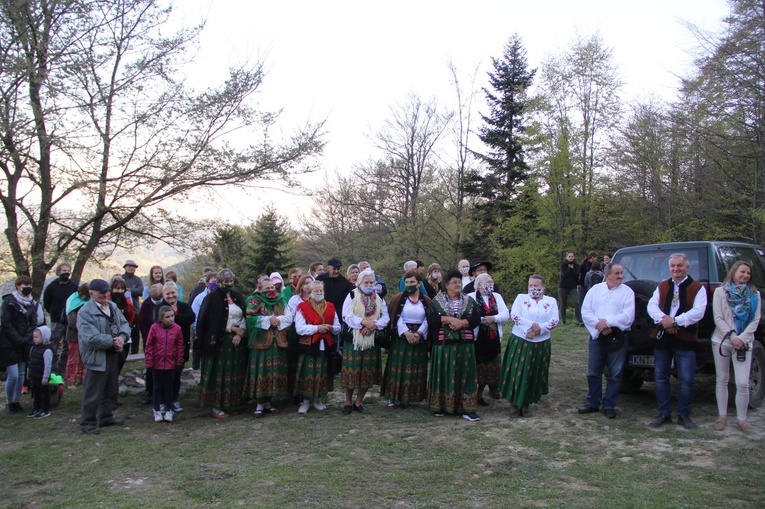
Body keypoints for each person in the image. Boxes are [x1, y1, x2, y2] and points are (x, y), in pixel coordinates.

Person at [647, 253, 707, 430]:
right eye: (672, 266)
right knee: (660, 377)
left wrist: (675, 321)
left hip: (686, 338)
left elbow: (698, 312)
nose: (676, 269)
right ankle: (664, 413)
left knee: (687, 379)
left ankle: (684, 415)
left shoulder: (697, 288)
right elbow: (652, 305)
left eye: (679, 266)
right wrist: (664, 320)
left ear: (687, 267)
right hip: (662, 337)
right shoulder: (662, 286)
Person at [577, 263, 634, 419]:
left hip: (618, 336)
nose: (621, 276)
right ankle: (593, 402)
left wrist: (607, 323)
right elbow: (586, 311)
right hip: (597, 335)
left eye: (622, 273)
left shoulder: (627, 292)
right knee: (594, 371)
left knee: (615, 373)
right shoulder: (595, 290)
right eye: (617, 273)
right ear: (607, 275)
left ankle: (609, 405)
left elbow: (628, 316)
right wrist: (600, 326)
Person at [426, 269, 482, 421]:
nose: (458, 285)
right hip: (444, 345)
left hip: (465, 344)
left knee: (466, 374)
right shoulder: (437, 301)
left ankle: (467, 408)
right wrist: (450, 320)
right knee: (444, 374)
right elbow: (431, 320)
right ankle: (441, 406)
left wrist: (462, 323)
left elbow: (477, 319)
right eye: (454, 282)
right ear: (446, 285)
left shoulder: (468, 300)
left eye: (459, 282)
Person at [711, 261, 761, 434]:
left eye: (748, 273)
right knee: (722, 379)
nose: (746, 275)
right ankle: (722, 416)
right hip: (722, 340)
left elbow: (756, 319)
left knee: (742, 382)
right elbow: (718, 317)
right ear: (734, 272)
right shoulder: (720, 292)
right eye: (742, 272)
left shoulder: (754, 294)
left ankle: (742, 420)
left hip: (744, 342)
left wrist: (742, 338)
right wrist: (732, 336)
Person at [500, 275, 559, 417]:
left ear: (543, 287)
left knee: (534, 371)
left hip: (541, 342)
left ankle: (526, 402)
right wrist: (530, 326)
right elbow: (515, 315)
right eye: (530, 285)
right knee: (517, 371)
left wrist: (538, 330)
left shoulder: (551, 301)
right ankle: (514, 403)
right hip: (521, 339)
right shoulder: (521, 298)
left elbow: (554, 320)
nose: (533, 288)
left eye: (536, 285)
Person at [78, 278, 131, 434]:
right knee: (93, 392)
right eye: (101, 292)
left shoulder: (113, 307)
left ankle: (106, 417)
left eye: (106, 291)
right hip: (97, 356)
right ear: (91, 293)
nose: (105, 295)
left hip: (113, 354)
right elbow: (90, 337)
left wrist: (122, 338)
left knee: (111, 389)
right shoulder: (85, 312)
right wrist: (113, 342)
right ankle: (87, 423)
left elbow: (125, 324)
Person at [196, 268, 247, 419]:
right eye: (226, 282)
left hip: (236, 342)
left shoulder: (237, 296)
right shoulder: (211, 298)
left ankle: (230, 404)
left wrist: (241, 332)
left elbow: (244, 313)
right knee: (220, 373)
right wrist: (232, 329)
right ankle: (217, 406)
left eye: (231, 281)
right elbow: (211, 320)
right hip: (218, 342)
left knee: (233, 373)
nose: (229, 284)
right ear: (218, 283)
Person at [340, 269, 390, 414]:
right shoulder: (352, 295)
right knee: (352, 371)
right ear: (359, 282)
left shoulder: (379, 298)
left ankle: (358, 401)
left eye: (371, 282)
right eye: (366, 282)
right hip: (354, 339)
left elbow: (385, 317)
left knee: (367, 372)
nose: (369, 285)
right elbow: (346, 316)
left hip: (371, 338)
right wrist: (363, 323)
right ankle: (348, 402)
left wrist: (374, 325)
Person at [244, 277, 293, 417]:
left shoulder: (281, 299)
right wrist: (267, 320)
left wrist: (277, 320)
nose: (271, 290)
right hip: (260, 342)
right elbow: (249, 317)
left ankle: (269, 403)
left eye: (272, 287)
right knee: (261, 372)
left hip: (277, 342)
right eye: (267, 288)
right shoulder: (254, 300)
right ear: (260, 290)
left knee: (273, 372)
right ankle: (259, 404)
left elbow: (289, 316)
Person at [381, 270, 430, 408]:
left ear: (419, 283)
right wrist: (406, 333)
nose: (409, 285)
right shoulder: (398, 298)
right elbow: (395, 317)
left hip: (419, 338)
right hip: (401, 338)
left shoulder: (426, 300)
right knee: (398, 367)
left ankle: (411, 397)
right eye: (407, 282)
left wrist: (419, 333)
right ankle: (393, 397)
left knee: (415, 367)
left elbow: (428, 319)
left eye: (412, 282)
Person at [294, 281, 341, 414]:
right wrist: (317, 328)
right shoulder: (302, 307)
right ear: (310, 292)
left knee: (322, 373)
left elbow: (337, 327)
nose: (319, 293)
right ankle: (305, 401)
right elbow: (300, 328)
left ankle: (318, 399)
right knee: (307, 373)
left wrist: (331, 328)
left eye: (321, 291)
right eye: (316, 291)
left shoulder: (330, 306)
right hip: (309, 346)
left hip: (325, 345)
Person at [1, 275, 46, 414]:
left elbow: (34, 323)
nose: (27, 287)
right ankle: (9, 402)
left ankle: (16, 401)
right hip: (8, 343)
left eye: (29, 285)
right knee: (13, 375)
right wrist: (18, 339)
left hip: (25, 342)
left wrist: (26, 338)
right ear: (17, 286)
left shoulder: (32, 303)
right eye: (24, 285)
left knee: (21, 374)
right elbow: (6, 323)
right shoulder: (8, 302)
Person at [467, 273, 510, 407]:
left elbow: (505, 314)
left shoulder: (496, 297)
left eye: (491, 281)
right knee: (475, 367)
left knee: (489, 368)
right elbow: (468, 315)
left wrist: (494, 319)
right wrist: (483, 320)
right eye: (487, 282)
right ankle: (471, 394)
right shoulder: (470, 297)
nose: (491, 284)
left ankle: (480, 393)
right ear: (479, 285)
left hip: (493, 338)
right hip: (476, 338)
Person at [145, 306, 185, 423]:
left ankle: (168, 409)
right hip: (157, 364)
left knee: (169, 387)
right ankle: (157, 409)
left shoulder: (177, 329)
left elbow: (180, 346)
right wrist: (149, 362)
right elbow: (149, 346)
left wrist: (179, 362)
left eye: (172, 316)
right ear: (161, 318)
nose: (171, 319)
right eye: (167, 317)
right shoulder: (154, 328)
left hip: (171, 364)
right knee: (157, 387)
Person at [160, 281, 195, 412]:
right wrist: (180, 319)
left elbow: (191, 318)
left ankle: (174, 399)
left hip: (182, 346)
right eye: (168, 293)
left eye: (173, 292)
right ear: (163, 295)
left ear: (177, 293)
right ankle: (163, 400)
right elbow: (159, 322)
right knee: (165, 375)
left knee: (177, 374)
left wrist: (172, 318)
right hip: (165, 348)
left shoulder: (184, 306)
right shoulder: (161, 307)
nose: (171, 296)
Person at [42, 262, 78, 373]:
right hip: (56, 320)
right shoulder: (51, 287)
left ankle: (63, 368)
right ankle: (52, 369)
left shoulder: (73, 287)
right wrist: (54, 313)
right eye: (64, 271)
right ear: (59, 272)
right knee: (53, 344)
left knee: (67, 346)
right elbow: (46, 303)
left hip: (70, 320)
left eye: (68, 271)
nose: (66, 273)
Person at [137, 284, 165, 405]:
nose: (158, 301)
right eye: (156, 299)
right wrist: (149, 335)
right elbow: (141, 322)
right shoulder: (146, 305)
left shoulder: (165, 304)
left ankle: (163, 392)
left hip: (164, 339)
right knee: (150, 367)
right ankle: (149, 391)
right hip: (150, 338)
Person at [191, 272, 219, 370]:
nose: (217, 284)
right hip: (204, 334)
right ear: (207, 284)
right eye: (214, 282)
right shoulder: (199, 299)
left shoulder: (222, 297)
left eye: (218, 282)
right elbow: (194, 317)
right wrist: (199, 331)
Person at [64, 284, 90, 387]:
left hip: (85, 335)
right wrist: (82, 328)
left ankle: (81, 378)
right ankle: (70, 380)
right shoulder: (73, 301)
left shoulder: (88, 302)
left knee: (83, 358)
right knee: (72, 359)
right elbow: (71, 321)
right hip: (73, 334)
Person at [109, 278, 136, 373]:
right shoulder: (108, 301)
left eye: (122, 289)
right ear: (112, 289)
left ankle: (117, 374)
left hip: (125, 331)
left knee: (123, 357)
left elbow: (132, 315)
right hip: (112, 333)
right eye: (117, 288)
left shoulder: (127, 301)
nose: (119, 291)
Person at [27, 325, 54, 419]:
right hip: (34, 376)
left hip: (42, 377)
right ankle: (36, 407)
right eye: (33, 337)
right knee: (36, 393)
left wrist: (45, 377)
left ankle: (45, 409)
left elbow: (48, 366)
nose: (34, 339)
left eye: (36, 337)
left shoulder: (47, 351)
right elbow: (30, 362)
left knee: (44, 393)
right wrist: (28, 373)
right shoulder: (33, 348)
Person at [316, 257, 353, 324]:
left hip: (337, 314)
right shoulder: (320, 279)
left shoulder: (345, 283)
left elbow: (346, 301)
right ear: (328, 268)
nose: (336, 271)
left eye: (338, 269)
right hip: (320, 312)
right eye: (334, 269)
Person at [122, 259, 143, 354]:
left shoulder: (138, 280)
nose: (132, 268)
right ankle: (123, 351)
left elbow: (141, 291)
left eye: (133, 266)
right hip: (123, 310)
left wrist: (128, 290)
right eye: (130, 266)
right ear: (125, 267)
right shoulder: (121, 279)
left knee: (135, 332)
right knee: (124, 330)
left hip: (135, 310)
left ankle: (135, 352)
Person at [558, 252, 580, 326]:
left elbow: (576, 275)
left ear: (574, 257)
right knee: (563, 304)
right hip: (563, 287)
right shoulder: (563, 265)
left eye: (572, 256)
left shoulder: (576, 266)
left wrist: (572, 268)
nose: (571, 257)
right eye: (569, 256)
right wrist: (569, 268)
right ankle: (563, 320)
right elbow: (564, 275)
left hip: (572, 287)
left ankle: (578, 319)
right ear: (566, 257)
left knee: (577, 302)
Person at [578, 251, 598, 326]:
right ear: (592, 257)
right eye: (595, 257)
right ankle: (580, 319)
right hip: (583, 285)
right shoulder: (584, 264)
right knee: (582, 301)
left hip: (590, 285)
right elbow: (579, 275)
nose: (596, 259)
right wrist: (579, 284)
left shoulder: (593, 265)